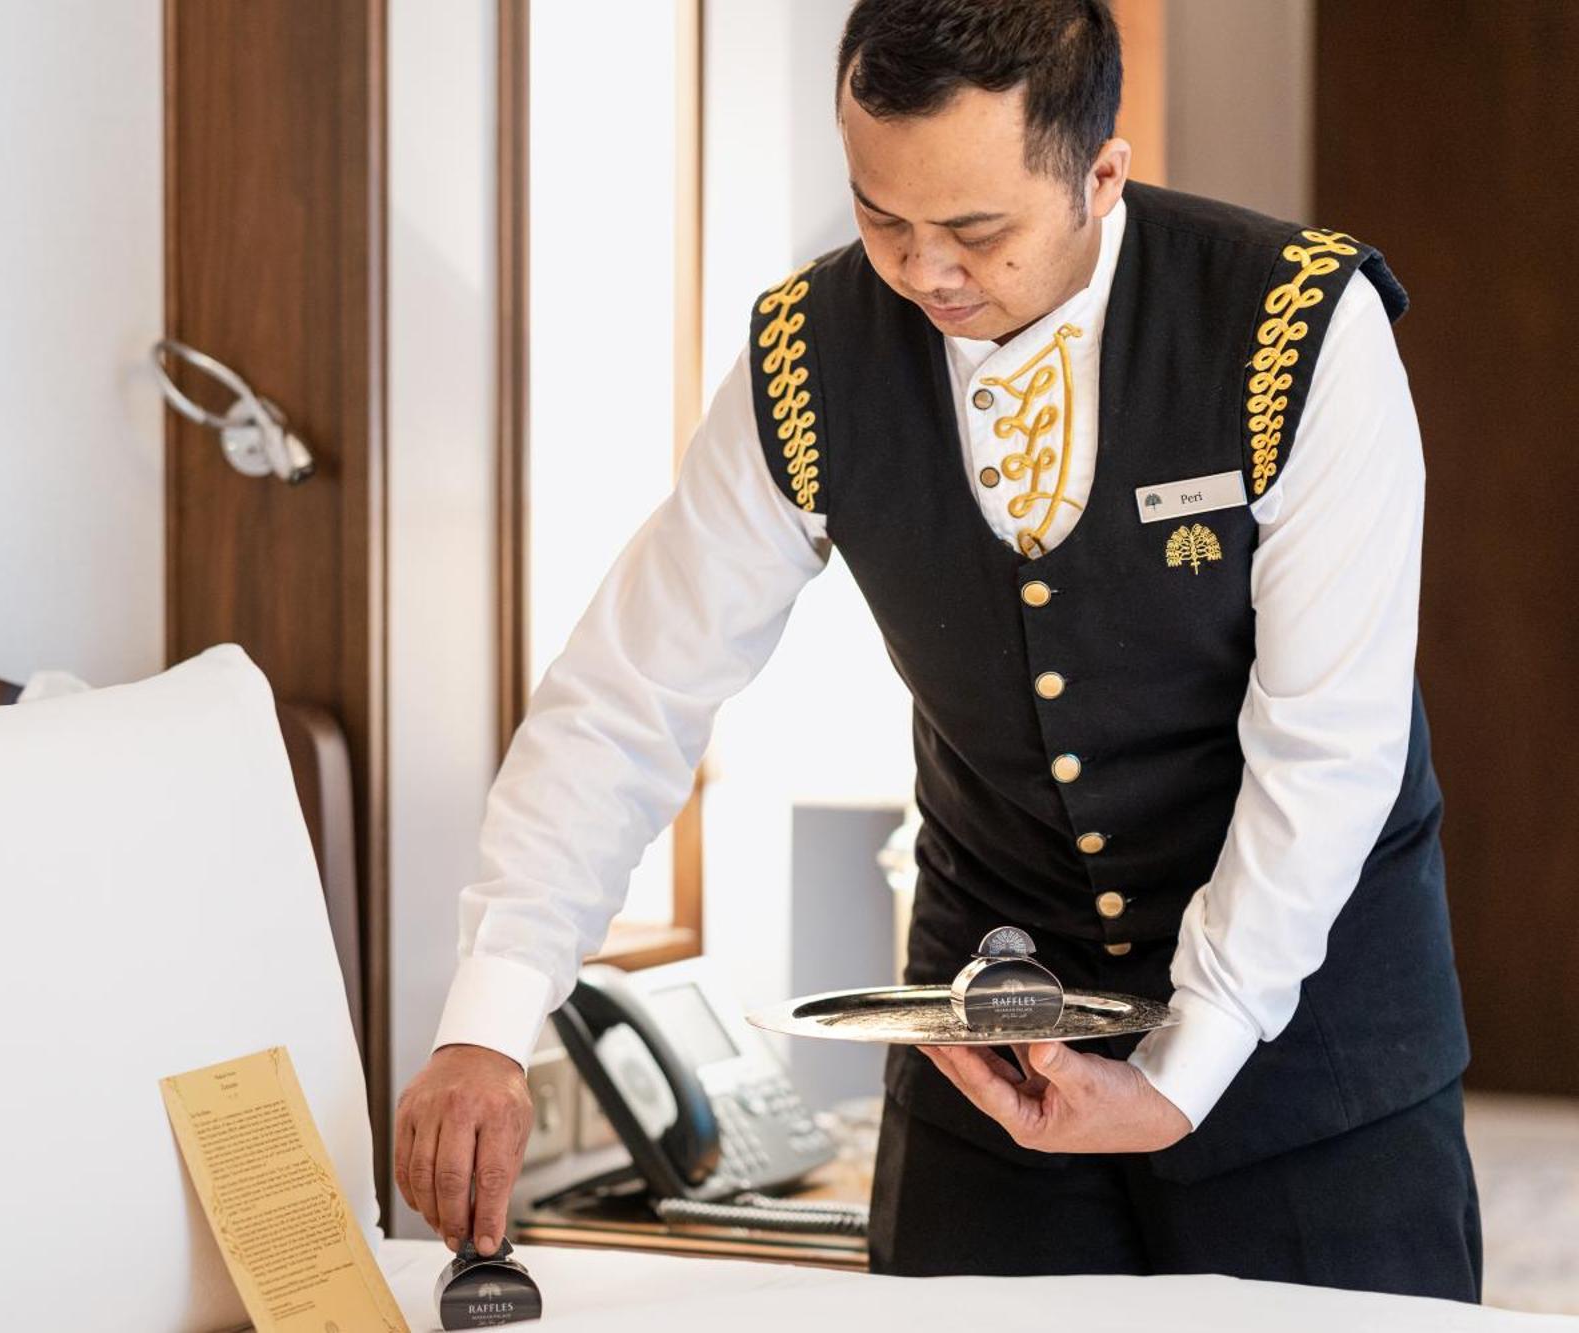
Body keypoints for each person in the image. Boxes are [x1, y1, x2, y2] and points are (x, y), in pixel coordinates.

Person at [395, 0, 1480, 1301]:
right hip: (991, 1037)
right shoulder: (807, 359)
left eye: (976, 230)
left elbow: (1327, 752)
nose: (926, 274)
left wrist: (1187, 1061)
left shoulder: (1301, 335)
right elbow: (633, 692)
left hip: (1308, 1045)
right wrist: (490, 1018)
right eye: (881, 217)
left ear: (1101, 175)